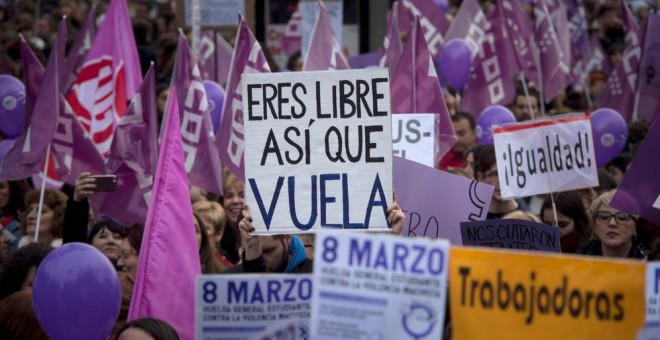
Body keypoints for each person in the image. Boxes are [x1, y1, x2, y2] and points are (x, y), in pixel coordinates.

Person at [225, 202, 405, 274]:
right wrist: (252, 253)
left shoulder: (318, 278)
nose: (262, 257)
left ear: (286, 238)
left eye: (269, 250)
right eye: (258, 250)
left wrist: (388, 243)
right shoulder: (228, 281)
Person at [577, 190, 645, 259]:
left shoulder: (650, 262)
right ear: (595, 225)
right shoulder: (577, 258)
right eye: (604, 216)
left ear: (635, 227)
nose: (612, 223)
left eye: (622, 217)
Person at [473, 146, 525, 219]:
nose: (503, 182)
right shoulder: (471, 218)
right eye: (495, 175)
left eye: (509, 174)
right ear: (481, 178)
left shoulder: (526, 219)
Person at [193, 200, 233, 268]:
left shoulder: (227, 271)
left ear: (218, 234)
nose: (198, 233)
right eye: (194, 228)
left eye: (205, 228)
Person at [221, 172, 245, 264]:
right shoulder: (213, 237)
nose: (235, 201)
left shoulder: (261, 238)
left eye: (242, 195)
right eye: (229, 196)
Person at [0, 181, 27, 254]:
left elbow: (14, 254)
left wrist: (2, 230)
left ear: (13, 190)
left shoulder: (18, 225)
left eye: (1, 186)